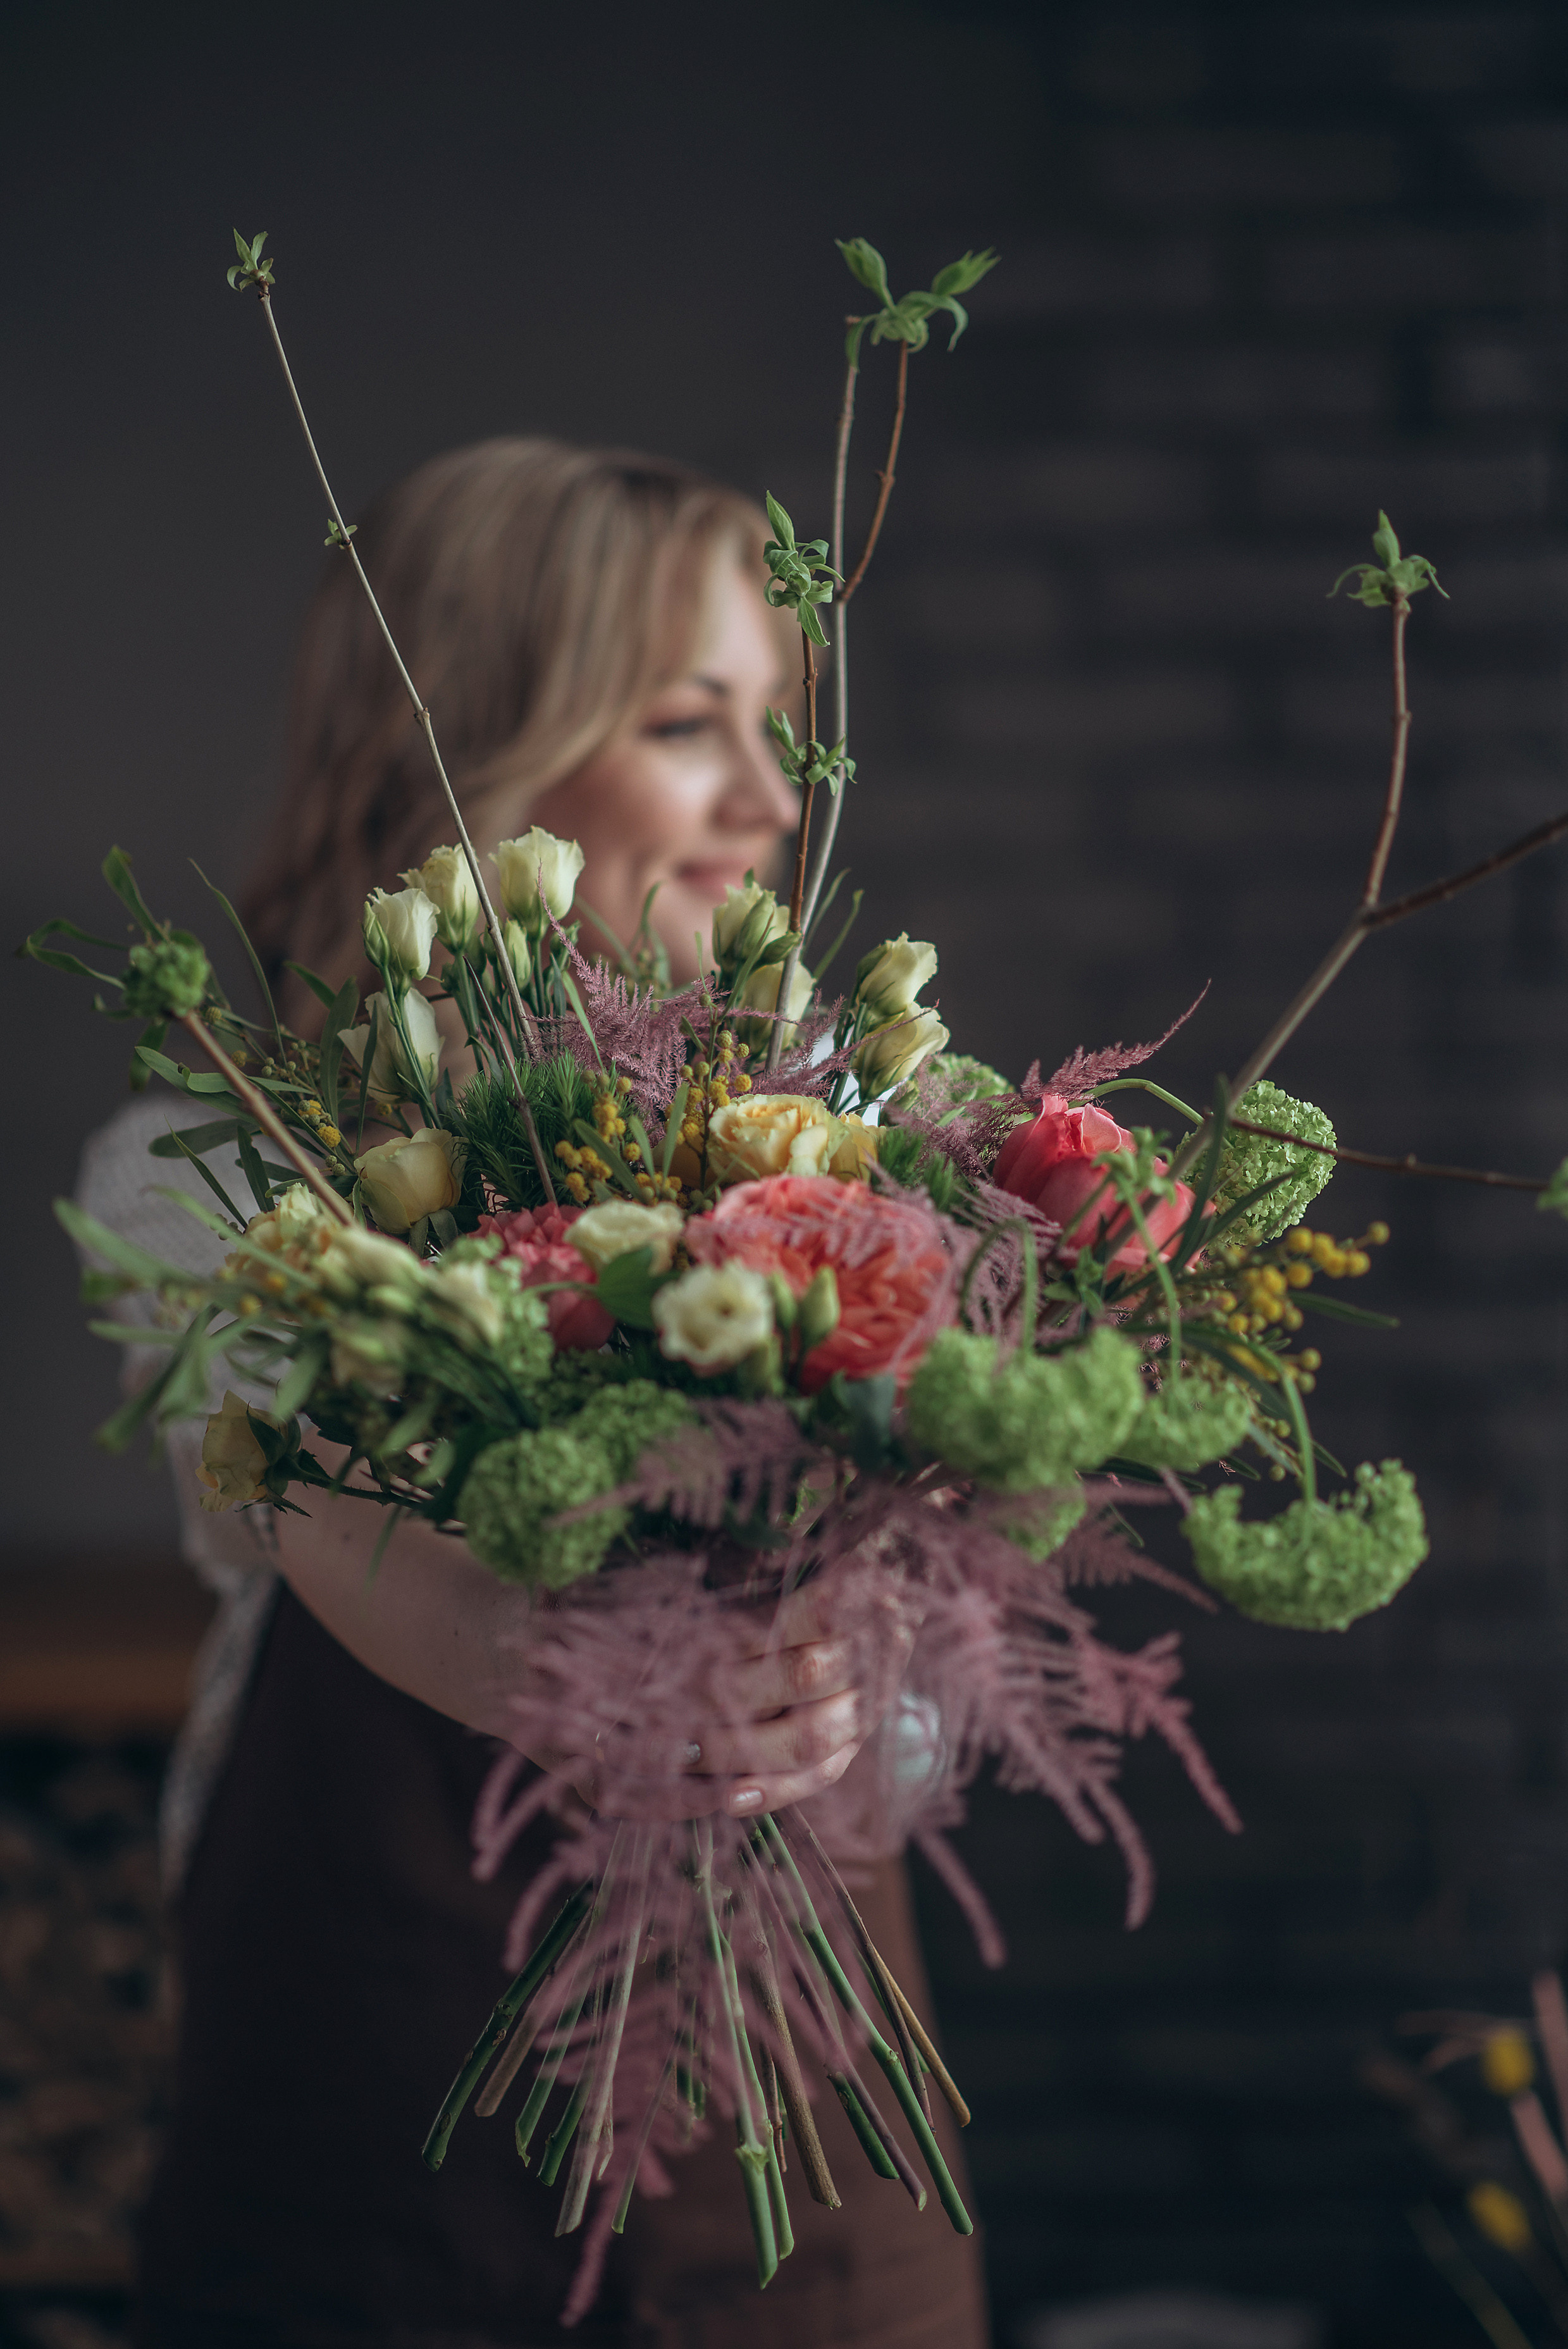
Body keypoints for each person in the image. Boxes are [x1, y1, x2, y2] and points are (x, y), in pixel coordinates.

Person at [79, 438, 988, 2349]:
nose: (765, 799)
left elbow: (914, 1752)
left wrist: (846, 1672)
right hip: (373, 2205)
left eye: (777, 723)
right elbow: (319, 1508)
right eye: (684, 721)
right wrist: (585, 1663)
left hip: (812, 2206)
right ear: (470, 752)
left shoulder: (852, 1156)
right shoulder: (203, 1176)